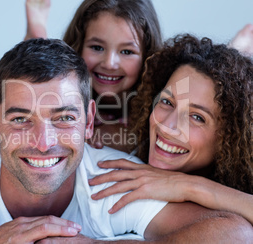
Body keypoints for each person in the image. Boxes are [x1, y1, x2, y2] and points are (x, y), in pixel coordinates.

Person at [0, 38, 251, 243]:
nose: (43, 143)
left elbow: (235, 235)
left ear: (90, 121)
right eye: (21, 118)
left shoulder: (115, 177)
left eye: (64, 119)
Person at [88, 34, 253, 224]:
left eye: (197, 117)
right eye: (167, 102)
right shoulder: (123, 139)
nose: (167, 127)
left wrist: (189, 186)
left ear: (230, 138)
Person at [25, 0, 163, 153]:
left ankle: (38, 41)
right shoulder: (68, 90)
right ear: (78, 46)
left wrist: (104, 134)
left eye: (126, 52)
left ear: (147, 56)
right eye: (97, 47)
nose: (109, 63)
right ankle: (37, 41)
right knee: (41, 80)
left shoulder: (155, 104)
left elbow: (140, 140)